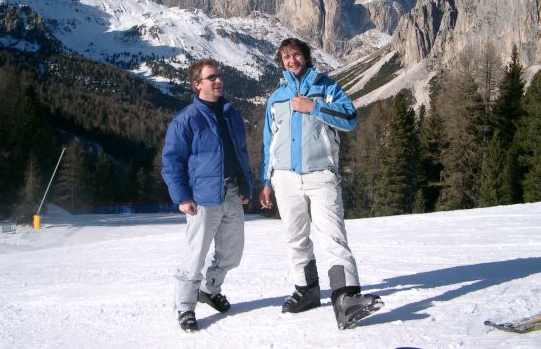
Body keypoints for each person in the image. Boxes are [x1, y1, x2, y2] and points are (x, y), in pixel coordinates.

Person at [259, 38, 383, 330]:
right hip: (285, 178)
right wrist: (266, 181)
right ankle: (307, 291)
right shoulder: (275, 97)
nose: (292, 60)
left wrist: (313, 107)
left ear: (306, 57)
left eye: (296, 54)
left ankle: (346, 297)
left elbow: (350, 118)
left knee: (333, 236)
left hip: (321, 175)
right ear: (281, 62)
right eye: (286, 57)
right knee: (295, 238)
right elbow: (269, 142)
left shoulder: (327, 87)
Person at [162, 59, 253, 332]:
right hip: (203, 198)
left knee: (232, 253)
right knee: (195, 255)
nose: (218, 81)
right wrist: (182, 197)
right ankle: (185, 308)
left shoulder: (231, 114)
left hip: (232, 193)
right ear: (197, 84)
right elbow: (172, 162)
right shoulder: (186, 120)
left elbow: (241, 153)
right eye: (212, 77)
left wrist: (245, 186)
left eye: (219, 75)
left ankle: (209, 289)